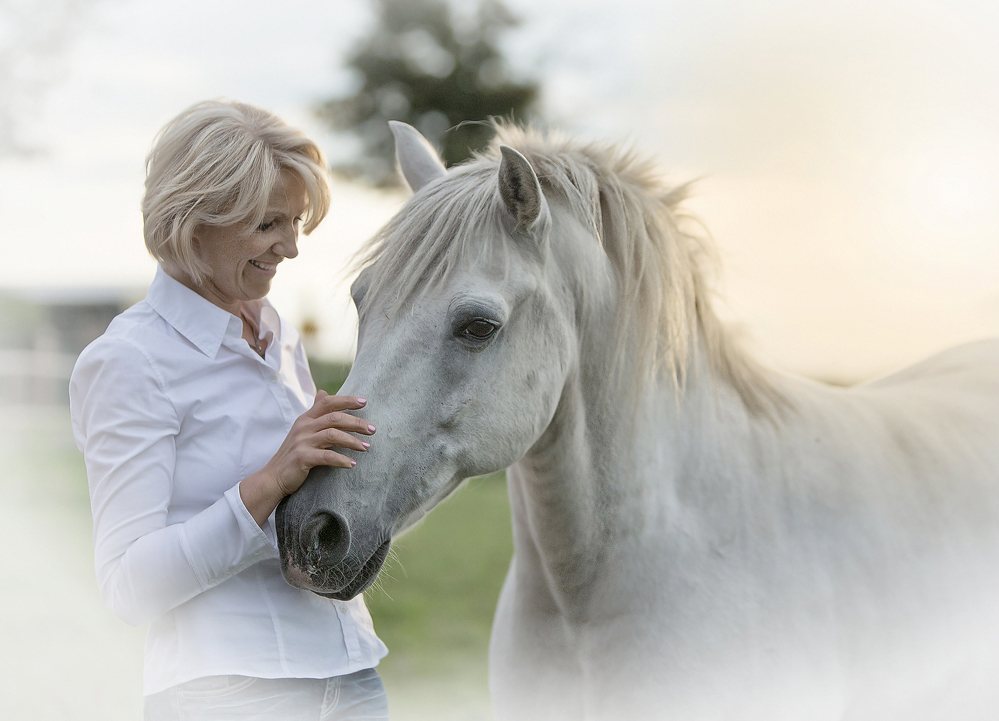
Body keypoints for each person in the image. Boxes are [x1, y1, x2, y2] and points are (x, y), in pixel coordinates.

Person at [69, 99, 389, 720]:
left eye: (296, 223)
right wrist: (269, 482)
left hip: (350, 673)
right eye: (270, 223)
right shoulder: (130, 360)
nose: (290, 248)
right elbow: (128, 589)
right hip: (228, 690)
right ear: (195, 220)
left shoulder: (276, 330)